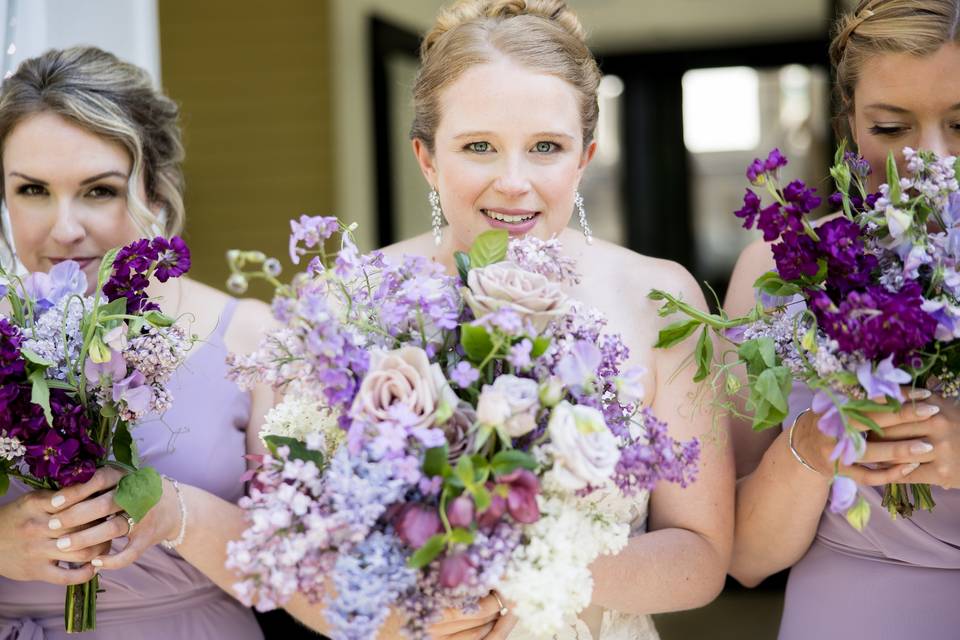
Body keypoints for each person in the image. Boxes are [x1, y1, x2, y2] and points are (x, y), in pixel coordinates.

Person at [49, 3, 734, 639]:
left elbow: (702, 559)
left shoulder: (658, 297)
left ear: (585, 156)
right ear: (427, 159)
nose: (514, 180)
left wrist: (522, 577)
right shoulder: (344, 299)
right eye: (479, 147)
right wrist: (406, 615)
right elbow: (301, 561)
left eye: (547, 147)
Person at [0, 47, 274, 639]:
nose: (65, 227)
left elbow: (306, 574)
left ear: (156, 188)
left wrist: (179, 516)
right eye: (32, 190)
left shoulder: (249, 336)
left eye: (99, 190)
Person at [726, 1, 960, 638]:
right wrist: (813, 443)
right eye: (891, 129)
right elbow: (744, 558)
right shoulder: (775, 275)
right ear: (849, 126)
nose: (928, 161)